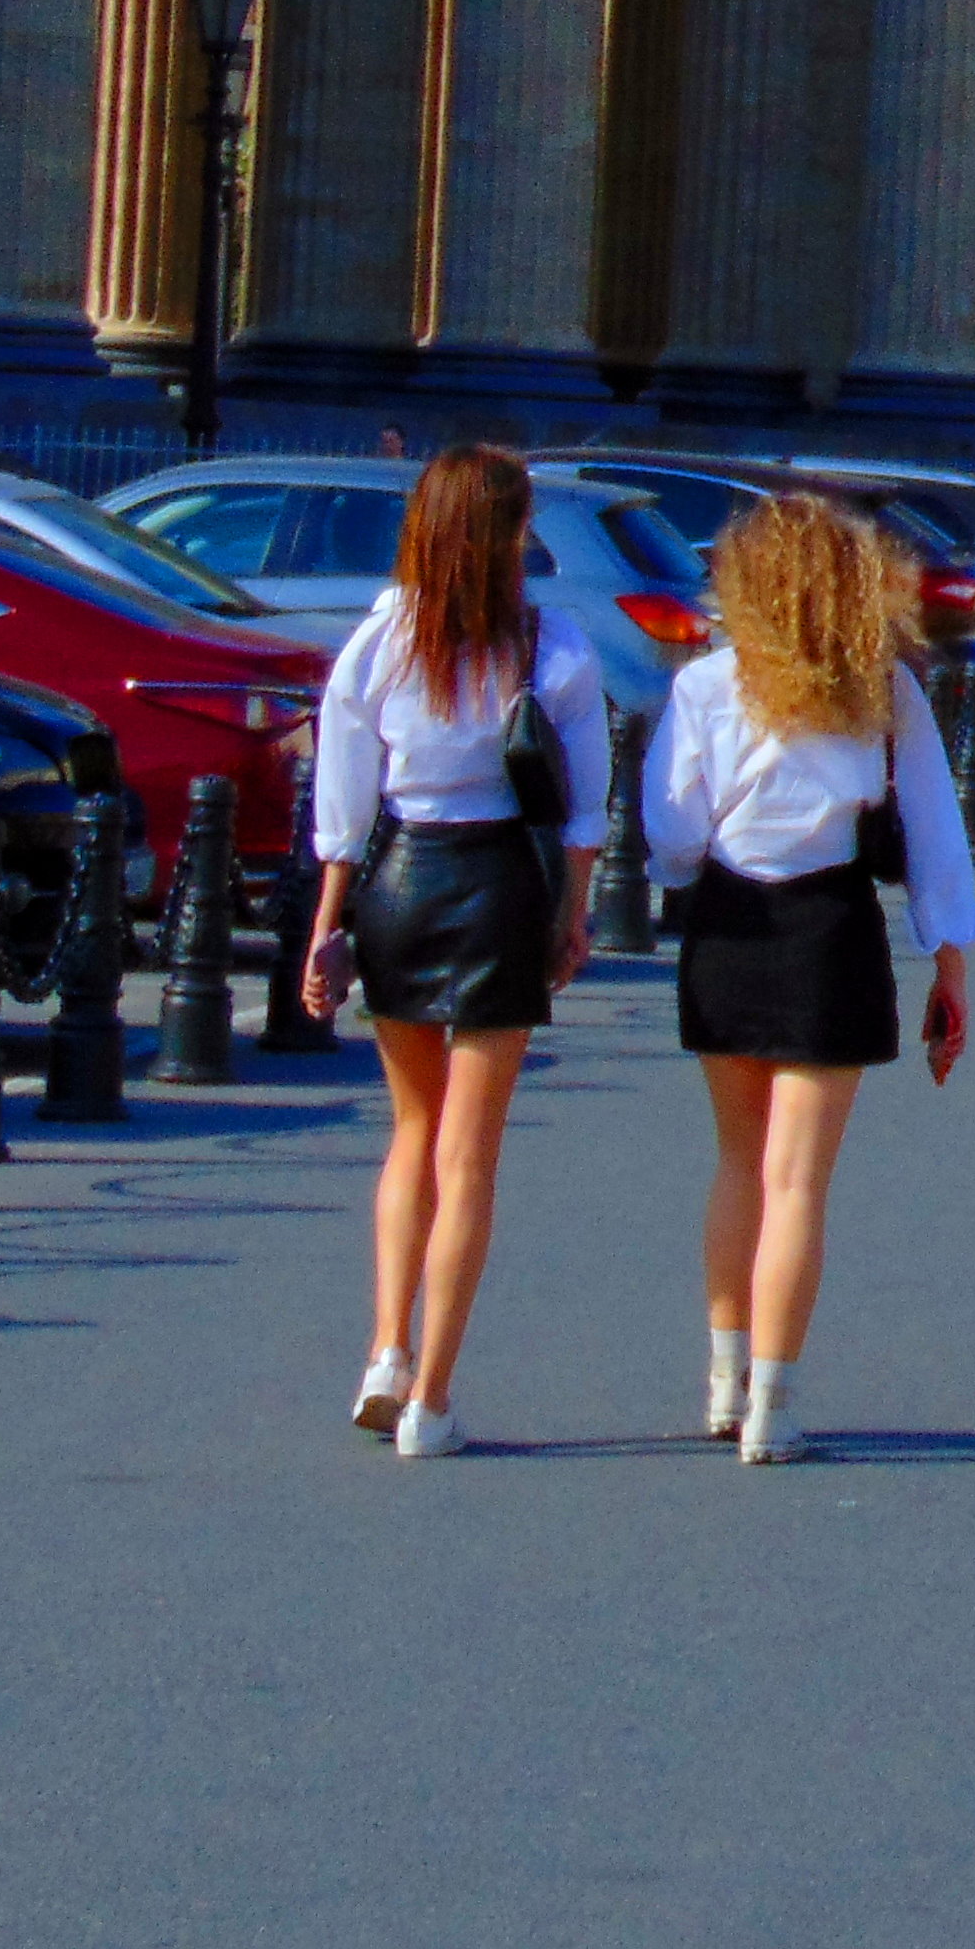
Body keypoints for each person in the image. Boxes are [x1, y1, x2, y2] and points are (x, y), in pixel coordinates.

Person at [642, 494, 975, 1467]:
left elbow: (669, 834)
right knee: (799, 1182)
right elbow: (931, 833)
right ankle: (773, 1403)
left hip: (728, 925)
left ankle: (721, 1380)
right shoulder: (883, 690)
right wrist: (948, 959)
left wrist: (697, 865)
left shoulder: (708, 686)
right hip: (831, 930)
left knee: (736, 1164)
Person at [300, 442, 611, 1459]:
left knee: (410, 1134)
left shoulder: (384, 638)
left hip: (398, 880)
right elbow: (582, 812)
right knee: (470, 1154)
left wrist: (327, 921)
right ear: (512, 535)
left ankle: (385, 1349)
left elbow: (343, 793)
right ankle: (432, 1401)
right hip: (499, 888)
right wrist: (573, 916)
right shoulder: (550, 644)